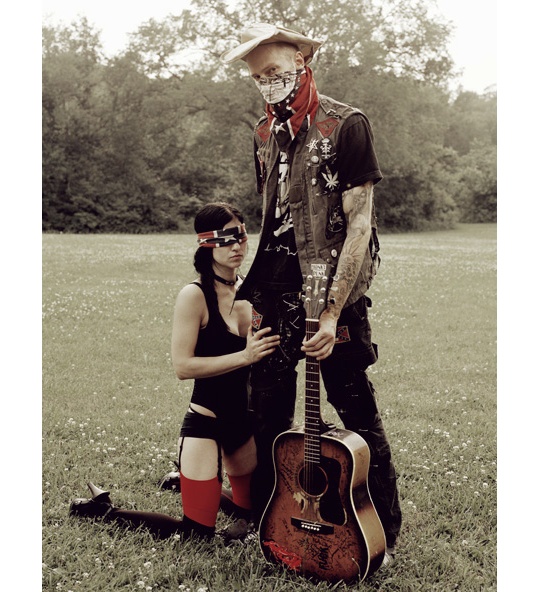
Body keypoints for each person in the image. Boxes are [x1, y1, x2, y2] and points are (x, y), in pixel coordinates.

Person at [219, 24, 402, 559]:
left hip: (329, 290)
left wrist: (331, 312)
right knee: (266, 410)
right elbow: (276, 218)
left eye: (274, 71)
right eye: (257, 78)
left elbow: (359, 225)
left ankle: (383, 532)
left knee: (355, 410)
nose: (267, 84)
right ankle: (269, 520)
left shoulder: (348, 125)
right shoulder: (262, 132)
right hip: (275, 289)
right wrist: (251, 296)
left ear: (301, 59)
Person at [69, 202, 280, 543]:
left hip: (244, 423)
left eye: (241, 235)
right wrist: (245, 356)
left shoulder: (251, 292)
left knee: (249, 516)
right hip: (206, 421)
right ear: (207, 243)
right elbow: (183, 367)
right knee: (198, 535)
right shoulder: (194, 295)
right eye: (228, 238)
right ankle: (104, 510)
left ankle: (187, 481)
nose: (238, 245)